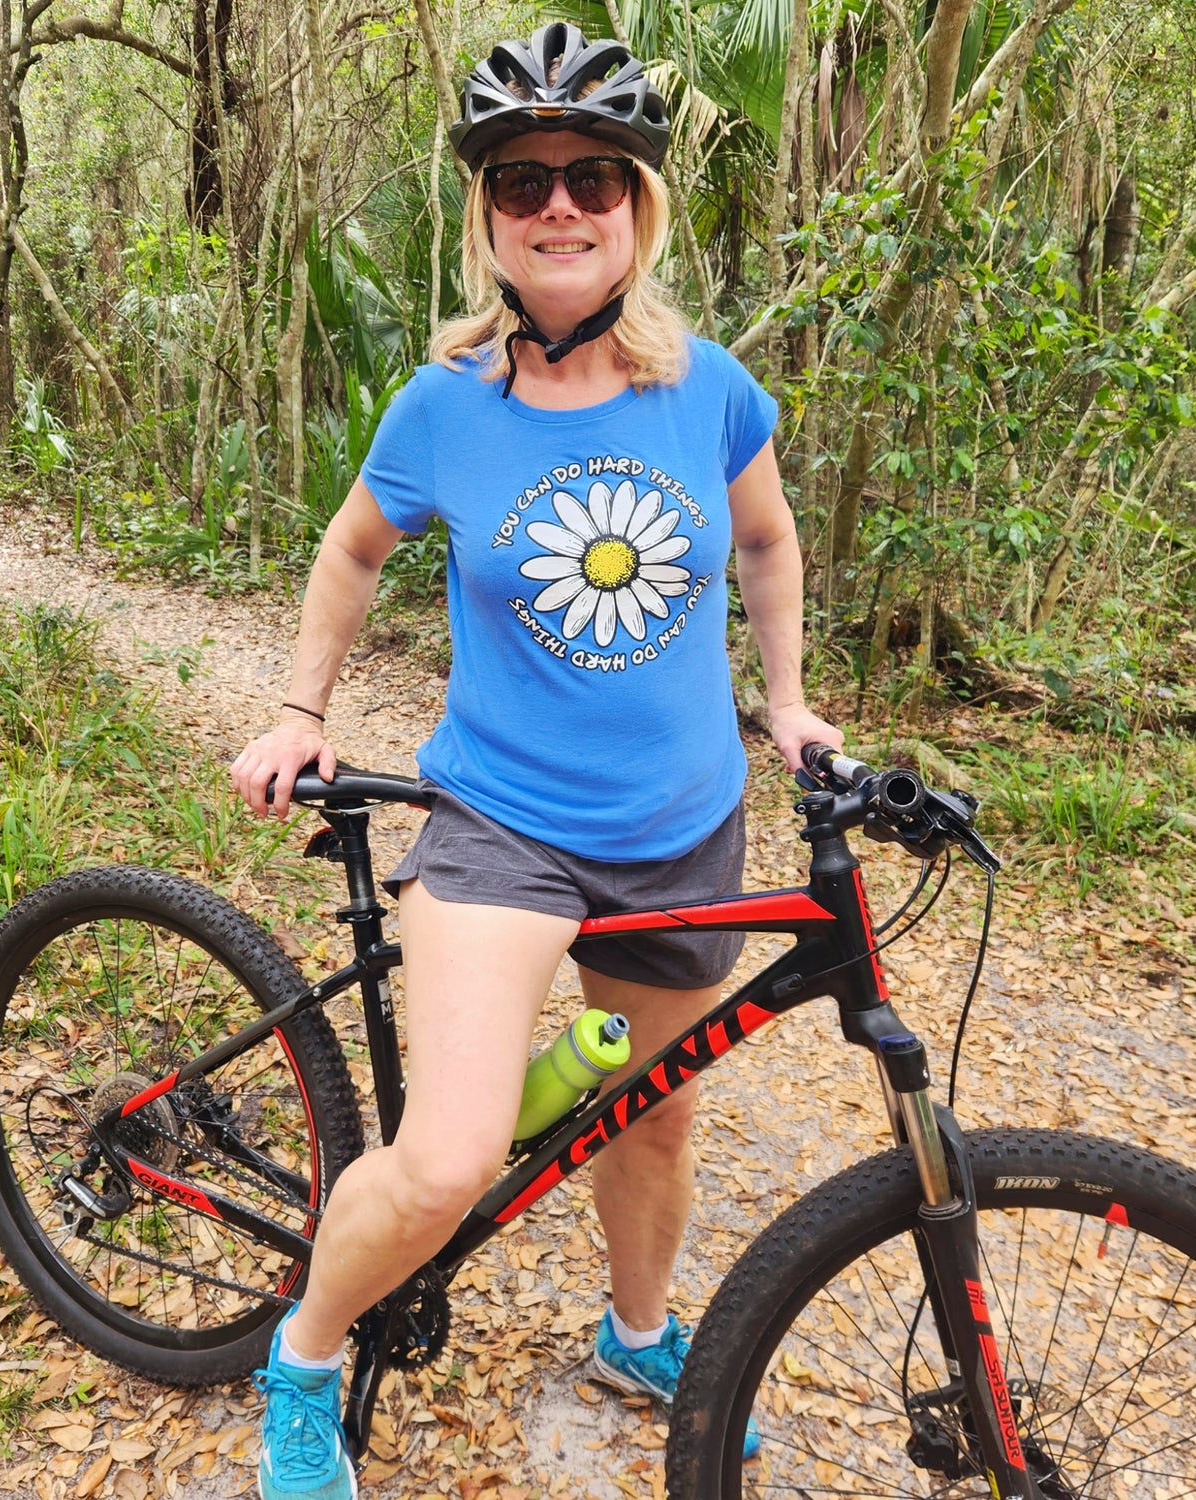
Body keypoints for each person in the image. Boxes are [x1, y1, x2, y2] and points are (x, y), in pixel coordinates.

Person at [229, 21, 843, 1499]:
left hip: (684, 821)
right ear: (487, 219)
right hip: (503, 825)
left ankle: (639, 1332)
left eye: (593, 176)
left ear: (639, 205)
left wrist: (788, 701)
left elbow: (763, 539)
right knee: (447, 1163)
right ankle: (306, 1353)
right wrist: (304, 707)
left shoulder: (710, 388)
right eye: (522, 180)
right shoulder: (447, 405)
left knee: (651, 1113)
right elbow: (353, 547)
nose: (559, 204)